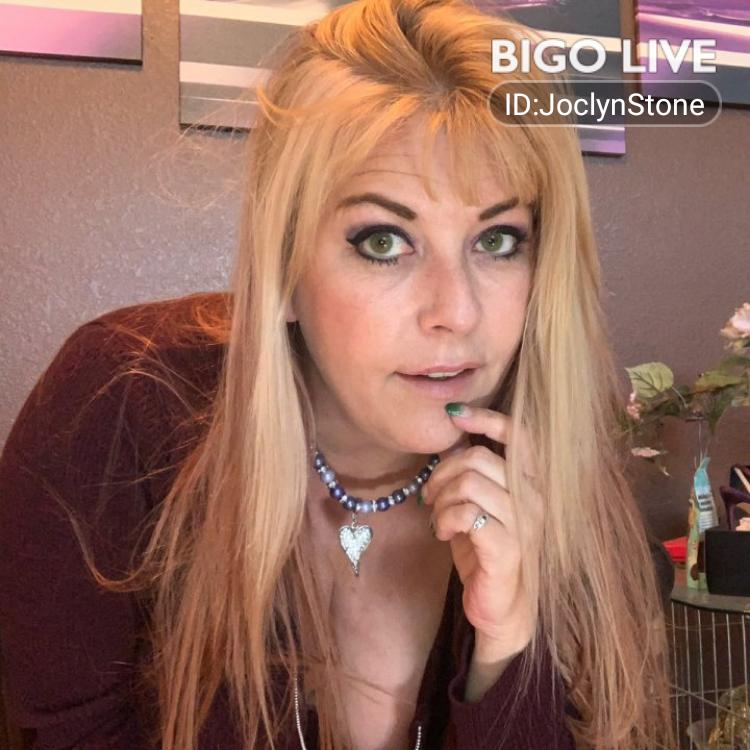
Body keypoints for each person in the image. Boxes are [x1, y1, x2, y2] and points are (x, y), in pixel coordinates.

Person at [0, 1, 676, 749]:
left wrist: (506, 648)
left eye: (497, 240)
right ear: (284, 269)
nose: (456, 312)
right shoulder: (121, 406)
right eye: (383, 241)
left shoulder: (563, 473)